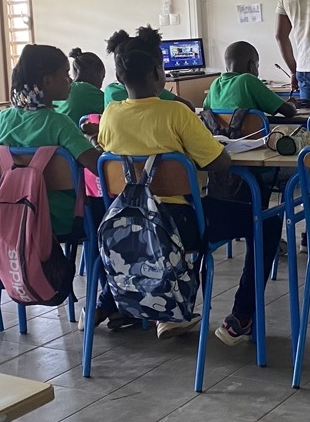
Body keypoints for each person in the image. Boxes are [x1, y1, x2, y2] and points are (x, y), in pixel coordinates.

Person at [95, 26, 281, 346]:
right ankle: (241, 316)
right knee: (267, 221)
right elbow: (218, 162)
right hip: (178, 225)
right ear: (157, 71)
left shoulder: (110, 114)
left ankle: (122, 304)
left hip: (127, 225)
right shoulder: (176, 112)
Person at [0, 44, 102, 238]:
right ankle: (98, 267)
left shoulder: (5, 119)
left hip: (15, 215)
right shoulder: (60, 124)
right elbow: (97, 166)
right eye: (65, 74)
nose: (71, 80)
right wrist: (94, 142)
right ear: (47, 81)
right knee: (105, 207)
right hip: (62, 219)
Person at [103, 31, 194, 110]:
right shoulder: (178, 112)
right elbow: (189, 107)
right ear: (156, 72)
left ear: (118, 76)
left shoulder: (110, 100)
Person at [204, 41, 297, 118]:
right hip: (253, 139)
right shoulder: (247, 80)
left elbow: (206, 112)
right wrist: (293, 103)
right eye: (257, 66)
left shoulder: (215, 84)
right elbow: (289, 112)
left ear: (226, 66)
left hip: (221, 139)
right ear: (251, 65)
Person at [55, 48, 106, 126]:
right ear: (95, 73)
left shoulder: (65, 89)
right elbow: (113, 109)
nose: (102, 83)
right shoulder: (84, 90)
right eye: (102, 76)